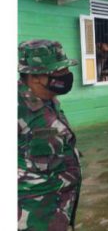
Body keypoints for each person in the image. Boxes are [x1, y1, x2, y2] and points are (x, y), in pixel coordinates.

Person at [18, 40, 82, 231]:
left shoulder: (49, 98)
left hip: (59, 213)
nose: (66, 76)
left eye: (65, 69)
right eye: (58, 72)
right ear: (35, 76)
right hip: (31, 219)